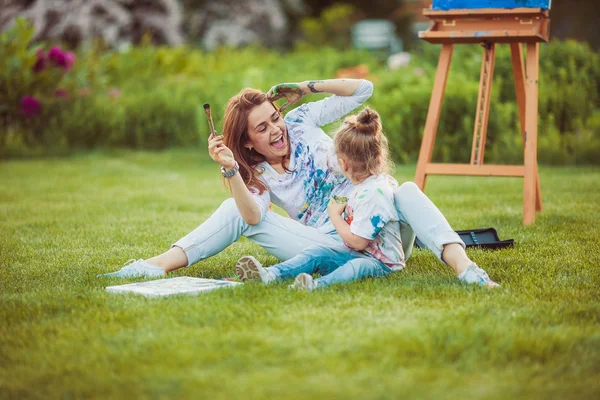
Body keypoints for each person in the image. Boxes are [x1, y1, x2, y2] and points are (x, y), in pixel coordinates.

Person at [98, 78, 499, 288]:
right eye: (263, 127)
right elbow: (252, 215)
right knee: (235, 211)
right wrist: (230, 169)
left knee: (406, 190)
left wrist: (304, 88)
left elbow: (364, 90)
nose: (276, 129)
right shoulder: (255, 171)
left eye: (274, 117)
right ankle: (154, 267)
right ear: (247, 141)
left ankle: (467, 270)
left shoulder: (301, 120)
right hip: (330, 242)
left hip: (381, 226)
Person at [235, 107, 407, 290]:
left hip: (382, 263)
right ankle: (270, 274)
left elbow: (357, 242)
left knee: (356, 267)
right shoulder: (362, 188)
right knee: (316, 252)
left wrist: (334, 215)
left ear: (343, 164)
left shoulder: (374, 193)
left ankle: (316, 285)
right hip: (359, 253)